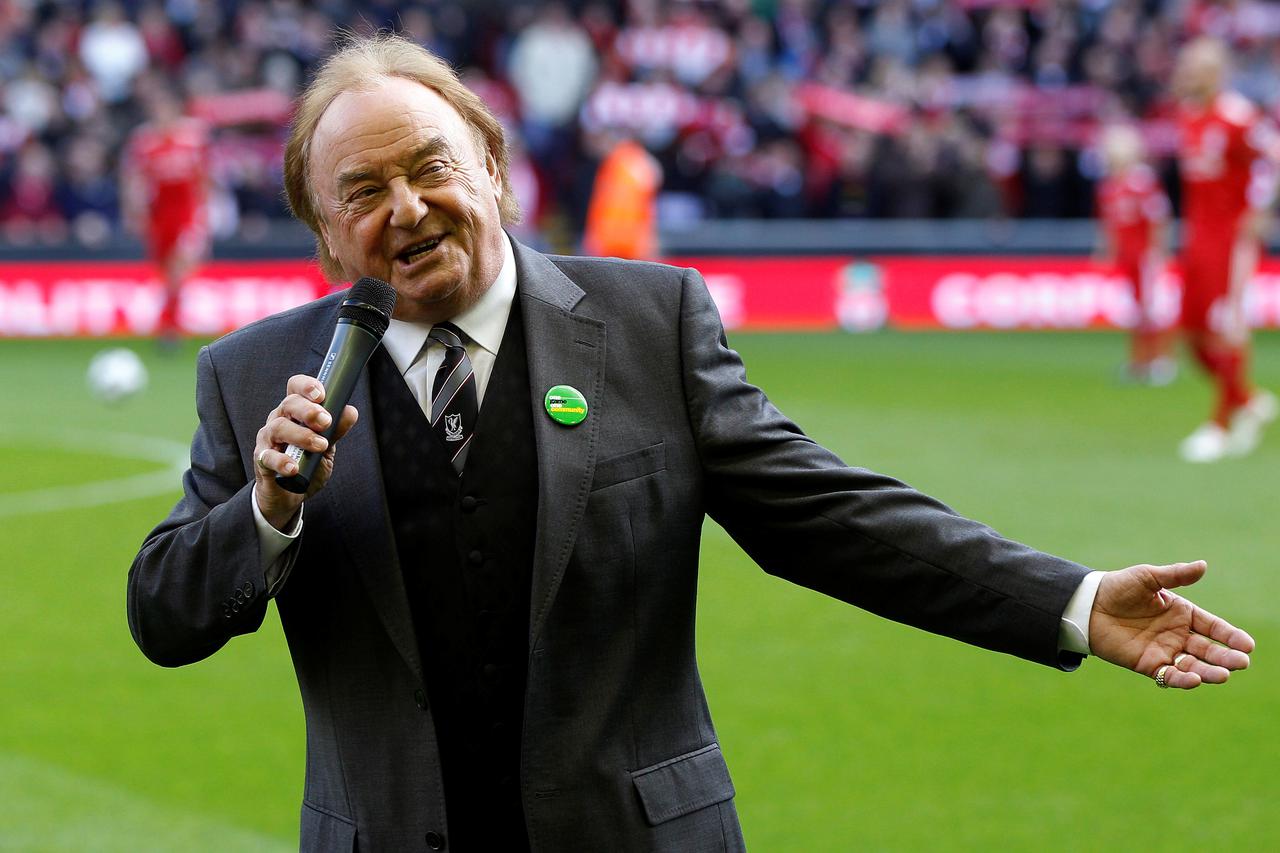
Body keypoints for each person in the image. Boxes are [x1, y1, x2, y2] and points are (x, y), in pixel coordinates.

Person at [127, 35, 1255, 853]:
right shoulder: (252, 378)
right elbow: (163, 611)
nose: (408, 208)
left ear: (492, 165)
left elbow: (832, 517)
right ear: (327, 238)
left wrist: (1070, 599)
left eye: (430, 165)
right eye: (362, 192)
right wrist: (269, 513)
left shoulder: (647, 323)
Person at [1173, 37, 1278, 462]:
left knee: (1227, 326)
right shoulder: (1188, 116)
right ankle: (1247, 399)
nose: (1189, 73)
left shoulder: (1238, 115)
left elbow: (1271, 160)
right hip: (1198, 237)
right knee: (1191, 333)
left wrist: (1259, 209)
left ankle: (1222, 423)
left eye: (1198, 66)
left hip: (1231, 238)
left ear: (1217, 71)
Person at [120, 83, 212, 344]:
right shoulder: (144, 140)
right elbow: (133, 178)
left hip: (186, 212)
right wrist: (134, 211)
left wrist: (205, 213)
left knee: (178, 268)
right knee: (164, 270)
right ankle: (169, 323)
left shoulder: (192, 137)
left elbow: (204, 177)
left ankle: (169, 326)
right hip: (159, 214)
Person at [1095, 124, 1175, 385]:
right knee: (1136, 310)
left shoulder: (1142, 182)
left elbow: (1159, 218)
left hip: (1144, 256)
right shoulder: (1109, 186)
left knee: (1150, 309)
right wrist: (1107, 251)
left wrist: (1158, 252)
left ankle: (1160, 360)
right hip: (1127, 257)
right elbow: (1110, 224)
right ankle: (1140, 361)